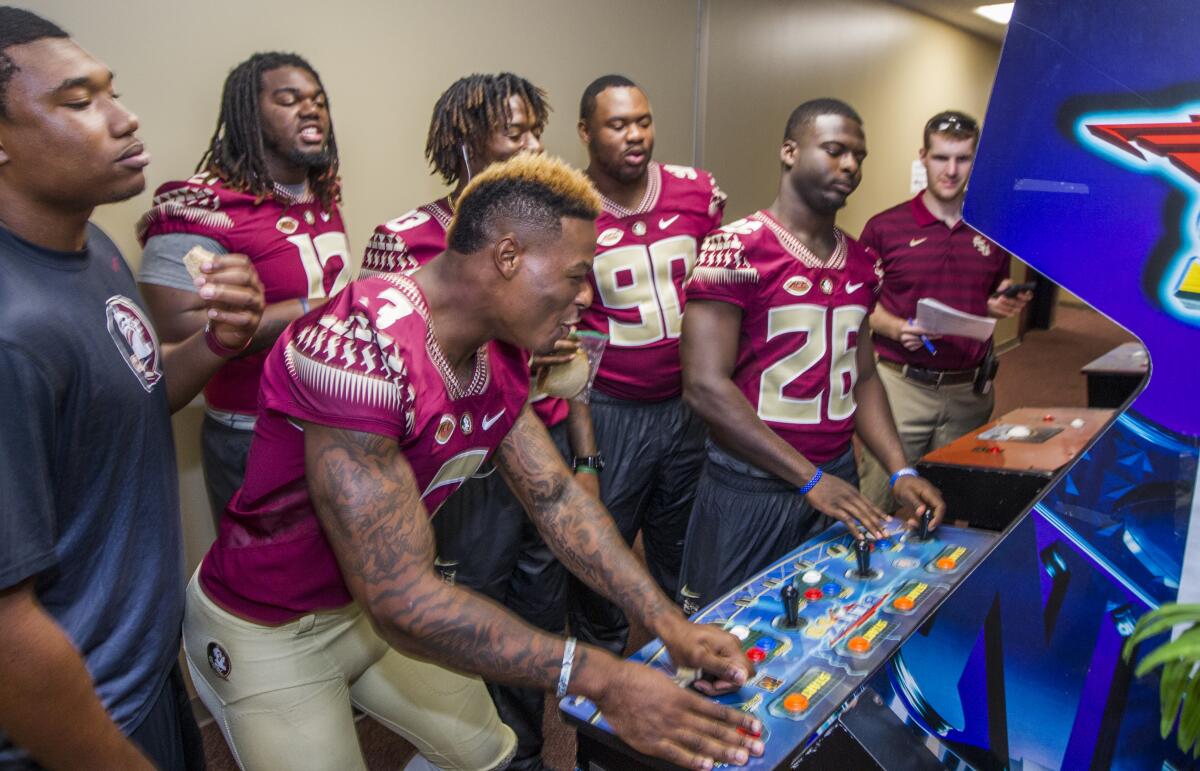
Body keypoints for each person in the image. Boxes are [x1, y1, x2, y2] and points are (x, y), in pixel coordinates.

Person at [185, 154, 764, 771]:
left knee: (487, 754)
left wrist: (665, 620)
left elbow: (555, 499)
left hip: (365, 612)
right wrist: (599, 676)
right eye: (575, 274)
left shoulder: (499, 347)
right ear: (508, 257)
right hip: (271, 628)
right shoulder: (363, 348)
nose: (585, 295)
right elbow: (402, 601)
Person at [0, 8, 264, 769]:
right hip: (74, 721)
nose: (125, 117)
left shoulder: (88, 245)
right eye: (79, 102)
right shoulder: (10, 330)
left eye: (111, 91)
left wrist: (215, 342)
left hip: (140, 674)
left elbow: (131, 402)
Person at [351, 71, 599, 770]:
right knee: (476, 620)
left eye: (534, 129)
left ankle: (525, 753)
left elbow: (575, 353)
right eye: (513, 130)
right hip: (468, 465)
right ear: (465, 142)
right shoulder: (403, 238)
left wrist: (585, 457)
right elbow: (396, 370)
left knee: (539, 611)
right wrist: (516, 344)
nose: (533, 143)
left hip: (540, 443)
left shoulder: (549, 236)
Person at [677, 99, 945, 608]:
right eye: (835, 150)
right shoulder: (734, 248)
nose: (850, 166)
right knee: (729, 630)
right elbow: (704, 386)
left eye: (859, 156)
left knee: (827, 620)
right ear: (789, 151)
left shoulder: (864, 262)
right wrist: (810, 479)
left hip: (835, 479)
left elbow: (862, 375)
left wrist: (899, 470)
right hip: (751, 485)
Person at [137, 52, 352, 524]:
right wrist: (326, 308)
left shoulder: (322, 197)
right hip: (254, 432)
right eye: (289, 99)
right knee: (271, 590)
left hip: (337, 421)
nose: (312, 109)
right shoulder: (201, 207)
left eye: (318, 100)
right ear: (249, 116)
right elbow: (178, 330)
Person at [572, 74, 725, 652]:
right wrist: (585, 445)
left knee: (681, 541)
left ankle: (681, 649)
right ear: (586, 133)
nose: (636, 135)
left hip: (687, 404)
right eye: (617, 124)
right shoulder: (569, 207)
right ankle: (603, 665)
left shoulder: (696, 190)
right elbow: (569, 329)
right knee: (602, 547)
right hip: (613, 407)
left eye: (643, 120)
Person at [857, 110, 1031, 510]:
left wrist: (1000, 301)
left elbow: (987, 295)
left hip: (969, 392)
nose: (951, 170)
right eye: (941, 158)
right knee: (877, 500)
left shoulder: (992, 230)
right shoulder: (885, 228)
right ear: (923, 156)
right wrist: (895, 326)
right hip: (900, 388)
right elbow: (859, 305)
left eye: (963, 159)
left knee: (955, 504)